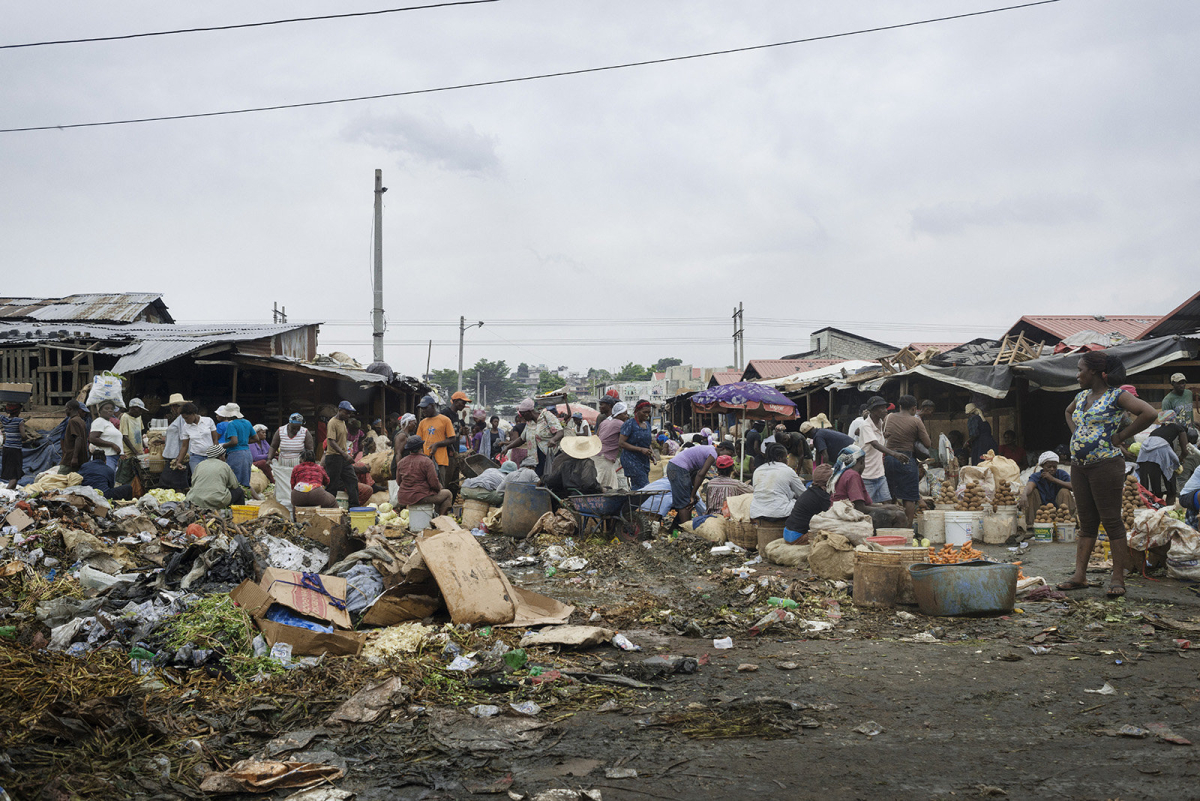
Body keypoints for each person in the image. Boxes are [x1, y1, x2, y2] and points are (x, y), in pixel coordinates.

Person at [1057, 351, 1156, 598]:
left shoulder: (1116, 396)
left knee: (1111, 521)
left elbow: (1149, 414)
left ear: (1095, 373)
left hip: (1106, 464)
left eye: (1080, 369)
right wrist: (1076, 434)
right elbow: (1068, 413)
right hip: (1080, 466)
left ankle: (1118, 578)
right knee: (1087, 522)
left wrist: (1121, 437)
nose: (1077, 374)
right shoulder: (1080, 397)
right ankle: (1079, 575)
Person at [882, 395, 931, 525]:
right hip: (907, 458)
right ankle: (908, 527)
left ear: (900, 406)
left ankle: (889, 525)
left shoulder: (888, 417)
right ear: (914, 408)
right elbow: (927, 443)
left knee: (890, 494)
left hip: (889, 458)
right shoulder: (916, 421)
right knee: (909, 496)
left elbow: (883, 434)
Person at [859, 396, 903, 504]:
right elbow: (875, 444)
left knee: (887, 502)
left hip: (879, 474)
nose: (885, 410)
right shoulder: (866, 425)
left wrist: (884, 435)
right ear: (873, 410)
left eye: (885, 407)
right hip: (866, 475)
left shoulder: (881, 423)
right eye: (882, 408)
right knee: (866, 505)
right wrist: (894, 454)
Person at [749, 443, 807, 523]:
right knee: (803, 502)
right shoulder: (787, 470)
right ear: (779, 458)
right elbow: (803, 494)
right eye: (786, 457)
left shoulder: (758, 470)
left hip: (757, 512)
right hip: (780, 513)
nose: (787, 460)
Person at [395, 435, 453, 515]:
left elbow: (398, 482)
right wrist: (439, 488)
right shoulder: (427, 461)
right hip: (420, 497)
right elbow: (434, 483)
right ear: (421, 447)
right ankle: (440, 519)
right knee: (447, 494)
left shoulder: (401, 462)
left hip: (403, 497)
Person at [1137, 410, 1184, 502]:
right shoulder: (1177, 428)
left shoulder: (1154, 432)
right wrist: (1180, 461)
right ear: (1174, 419)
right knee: (1171, 490)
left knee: (1153, 491)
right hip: (1162, 459)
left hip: (1145, 459)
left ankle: (1154, 509)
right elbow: (1185, 450)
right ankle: (1169, 510)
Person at [783, 463, 835, 544]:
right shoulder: (823, 497)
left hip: (787, 532)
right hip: (797, 536)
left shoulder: (811, 491)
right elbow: (832, 516)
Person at [666, 437, 717, 521]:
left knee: (686, 499)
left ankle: (677, 527)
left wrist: (692, 493)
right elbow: (701, 475)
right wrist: (692, 496)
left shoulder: (709, 450)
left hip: (672, 467)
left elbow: (694, 474)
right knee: (685, 502)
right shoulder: (713, 453)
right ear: (723, 449)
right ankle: (687, 530)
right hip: (677, 468)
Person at [1019, 451, 1075, 527]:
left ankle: (1065, 523)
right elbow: (1029, 486)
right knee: (1032, 492)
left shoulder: (1061, 474)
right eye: (1049, 467)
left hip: (1058, 510)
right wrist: (1024, 495)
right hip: (1041, 511)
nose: (1052, 469)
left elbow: (1073, 486)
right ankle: (1031, 525)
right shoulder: (1037, 476)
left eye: (1054, 467)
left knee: (1064, 491)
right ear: (1042, 466)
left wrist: (1053, 479)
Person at [417, 394, 460, 491]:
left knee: (439, 487)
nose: (423, 411)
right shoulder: (422, 422)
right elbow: (419, 441)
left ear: (432, 406)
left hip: (440, 460)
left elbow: (452, 439)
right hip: (425, 460)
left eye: (425, 408)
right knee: (425, 487)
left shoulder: (444, 420)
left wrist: (437, 444)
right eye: (422, 409)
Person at [186, 444, 246, 510]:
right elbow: (234, 485)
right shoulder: (224, 465)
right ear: (220, 456)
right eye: (224, 455)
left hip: (195, 500)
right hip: (215, 500)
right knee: (239, 492)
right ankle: (239, 516)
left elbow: (193, 483)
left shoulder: (200, 464)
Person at [324, 400, 360, 502]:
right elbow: (331, 441)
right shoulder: (332, 422)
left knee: (352, 480)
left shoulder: (343, 422)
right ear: (339, 410)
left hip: (343, 457)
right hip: (334, 457)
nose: (348, 415)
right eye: (346, 412)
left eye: (349, 413)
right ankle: (329, 506)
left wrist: (346, 454)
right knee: (333, 484)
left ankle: (354, 506)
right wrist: (345, 454)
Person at [619, 400, 655, 490]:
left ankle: (634, 503)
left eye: (648, 412)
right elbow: (621, 443)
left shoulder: (647, 425)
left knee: (638, 487)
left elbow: (647, 442)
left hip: (643, 460)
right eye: (644, 412)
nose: (647, 415)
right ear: (637, 411)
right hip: (631, 459)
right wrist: (640, 449)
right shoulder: (629, 424)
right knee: (644, 486)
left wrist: (651, 451)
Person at [159, 393, 191, 491]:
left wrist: (179, 458)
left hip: (176, 454)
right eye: (173, 406)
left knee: (170, 480)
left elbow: (184, 437)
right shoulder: (178, 419)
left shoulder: (182, 418)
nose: (173, 408)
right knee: (177, 480)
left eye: (176, 406)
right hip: (173, 453)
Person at [174, 403, 217, 473]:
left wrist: (216, 454)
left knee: (210, 477)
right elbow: (184, 446)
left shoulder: (208, 421)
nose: (185, 420)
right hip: (195, 457)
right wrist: (179, 461)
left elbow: (215, 439)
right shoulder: (185, 427)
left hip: (210, 456)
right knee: (197, 479)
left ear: (193, 414)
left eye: (187, 418)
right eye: (184, 418)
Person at [829, 446, 873, 513]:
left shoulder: (844, 473)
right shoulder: (853, 475)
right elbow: (860, 508)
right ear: (861, 462)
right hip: (844, 514)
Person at [595, 401, 627, 491]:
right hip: (604, 457)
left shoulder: (604, 422)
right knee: (601, 484)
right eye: (625, 414)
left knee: (608, 482)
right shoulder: (619, 424)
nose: (626, 416)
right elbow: (628, 439)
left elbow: (597, 436)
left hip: (598, 454)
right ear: (619, 414)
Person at [116, 398, 148, 485]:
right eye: (139, 410)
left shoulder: (138, 417)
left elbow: (140, 432)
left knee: (138, 477)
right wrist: (135, 451)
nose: (141, 412)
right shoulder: (125, 417)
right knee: (126, 477)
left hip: (138, 453)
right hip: (129, 454)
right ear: (133, 408)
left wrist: (143, 447)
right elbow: (124, 437)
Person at [88, 400, 123, 471]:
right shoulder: (99, 421)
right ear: (100, 411)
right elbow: (92, 438)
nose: (110, 410)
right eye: (106, 408)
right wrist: (112, 445)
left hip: (112, 457)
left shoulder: (109, 423)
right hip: (106, 457)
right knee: (105, 478)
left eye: (112, 409)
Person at [59, 400, 90, 475]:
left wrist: (74, 457)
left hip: (70, 458)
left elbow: (78, 438)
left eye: (66, 408)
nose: (65, 410)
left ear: (70, 408)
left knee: (59, 479)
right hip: (80, 458)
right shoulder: (81, 421)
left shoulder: (72, 421)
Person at [1, 402, 27, 490]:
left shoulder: (4, 419)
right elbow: (23, 436)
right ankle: (6, 492)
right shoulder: (19, 421)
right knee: (15, 474)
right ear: (18, 411)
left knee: (11, 472)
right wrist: (25, 436)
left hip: (6, 449)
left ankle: (11, 491)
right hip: (15, 450)